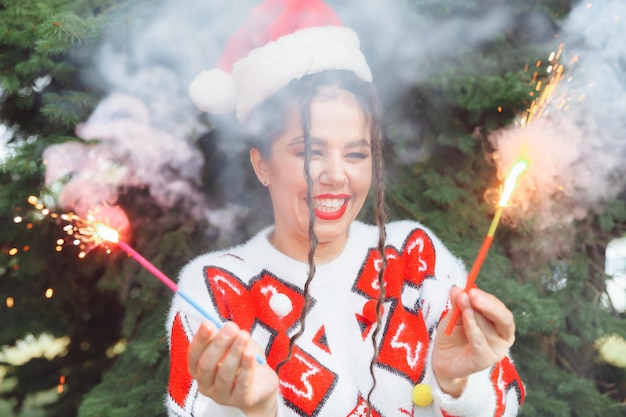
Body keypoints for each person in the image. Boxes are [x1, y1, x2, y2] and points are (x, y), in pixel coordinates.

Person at [166, 1, 525, 416]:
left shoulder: (414, 258)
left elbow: (501, 407)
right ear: (261, 164)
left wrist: (458, 381)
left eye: (356, 155)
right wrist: (256, 410)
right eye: (309, 152)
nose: (336, 176)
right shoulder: (216, 291)